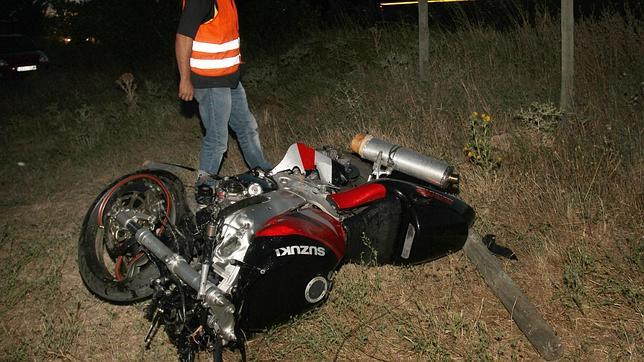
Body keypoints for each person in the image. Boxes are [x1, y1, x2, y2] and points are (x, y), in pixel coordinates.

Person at [176, 0, 272, 185]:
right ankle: (205, 191)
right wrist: (185, 79)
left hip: (229, 78)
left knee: (246, 127)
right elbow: (182, 38)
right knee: (217, 139)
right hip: (210, 80)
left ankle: (263, 172)